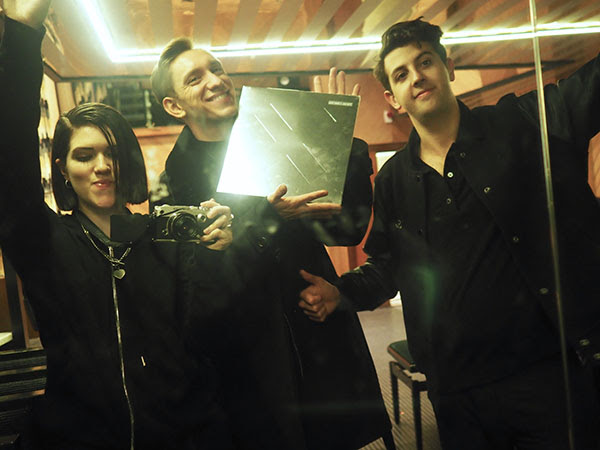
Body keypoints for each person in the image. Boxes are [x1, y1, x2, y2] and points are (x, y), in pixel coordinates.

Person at [299, 17, 600, 450]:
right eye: (401, 74)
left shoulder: (521, 123)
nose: (416, 77)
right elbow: (387, 268)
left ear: (449, 67)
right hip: (456, 390)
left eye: (425, 62)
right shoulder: (393, 180)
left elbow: (589, 89)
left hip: (545, 374)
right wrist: (340, 293)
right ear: (393, 98)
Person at [0, 2, 261, 448]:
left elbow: (211, 336)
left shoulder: (164, 235)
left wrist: (222, 255)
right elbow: (9, 161)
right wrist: (24, 33)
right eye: (85, 155)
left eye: (113, 153)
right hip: (79, 436)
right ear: (63, 169)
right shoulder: (45, 241)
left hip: (182, 432)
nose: (102, 166)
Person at [150, 39, 392, 449]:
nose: (215, 80)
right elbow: (199, 293)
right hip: (249, 362)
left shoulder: (280, 137)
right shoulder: (175, 184)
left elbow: (345, 230)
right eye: (195, 78)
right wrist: (265, 217)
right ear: (174, 106)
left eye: (216, 68)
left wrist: (338, 142)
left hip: (318, 337)